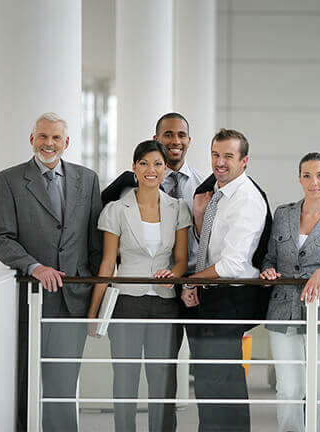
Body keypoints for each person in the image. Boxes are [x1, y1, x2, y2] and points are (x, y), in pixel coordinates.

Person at [0, 112, 103, 432]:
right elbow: (1, 237)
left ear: (66, 142)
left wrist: (96, 302)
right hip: (29, 299)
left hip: (74, 300)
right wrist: (35, 266)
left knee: (64, 386)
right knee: (23, 381)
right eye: (43, 136)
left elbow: (95, 245)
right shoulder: (8, 180)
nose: (49, 143)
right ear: (32, 139)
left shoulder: (88, 179)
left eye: (56, 137)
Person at [87, 140, 190, 431]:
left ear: (165, 169)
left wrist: (173, 274)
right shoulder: (116, 210)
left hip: (165, 304)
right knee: (125, 378)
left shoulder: (178, 208)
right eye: (144, 163)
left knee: (163, 380)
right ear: (134, 167)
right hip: (126, 303)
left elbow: (181, 260)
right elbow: (108, 264)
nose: (150, 169)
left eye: (157, 163)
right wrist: (93, 313)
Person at [180, 128, 269, 432]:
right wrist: (199, 217)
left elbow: (232, 263)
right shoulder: (217, 194)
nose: (219, 162)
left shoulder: (246, 199)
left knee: (219, 381)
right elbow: (211, 246)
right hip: (212, 295)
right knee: (212, 381)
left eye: (228, 156)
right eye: (215, 155)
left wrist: (191, 281)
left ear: (244, 161)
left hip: (231, 297)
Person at [261, 152, 320, 432]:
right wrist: (268, 271)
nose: (313, 182)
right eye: (307, 175)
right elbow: (269, 257)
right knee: (289, 389)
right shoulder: (283, 214)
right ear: (299, 179)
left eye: (319, 175)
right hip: (283, 310)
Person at [101, 112, 206, 273]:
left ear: (189, 140)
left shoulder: (204, 185)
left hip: (193, 274)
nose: (176, 141)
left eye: (181, 135)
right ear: (156, 139)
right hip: (149, 275)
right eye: (168, 135)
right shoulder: (132, 184)